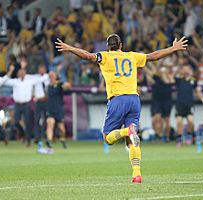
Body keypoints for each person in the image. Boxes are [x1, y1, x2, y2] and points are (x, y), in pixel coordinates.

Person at [55, 33, 188, 182]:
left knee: (107, 138)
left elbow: (87, 56)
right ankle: (136, 174)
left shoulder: (105, 56)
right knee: (131, 140)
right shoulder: (132, 56)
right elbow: (153, 56)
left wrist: (70, 48)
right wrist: (173, 48)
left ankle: (126, 131)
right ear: (121, 46)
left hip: (118, 99)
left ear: (107, 47)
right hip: (134, 99)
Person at [4, 66, 48, 146]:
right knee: (16, 121)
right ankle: (23, 133)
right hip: (17, 104)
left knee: (28, 122)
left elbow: (41, 79)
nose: (22, 73)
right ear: (18, 74)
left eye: (23, 72)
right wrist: (10, 71)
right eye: (20, 72)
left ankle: (28, 140)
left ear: (25, 73)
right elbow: (5, 81)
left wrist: (45, 74)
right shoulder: (15, 81)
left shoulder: (30, 81)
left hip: (26, 104)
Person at [175, 64, 203, 147]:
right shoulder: (179, 79)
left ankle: (189, 135)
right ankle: (179, 139)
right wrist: (179, 69)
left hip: (190, 104)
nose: (186, 71)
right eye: (184, 69)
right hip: (180, 104)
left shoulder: (193, 80)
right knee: (179, 122)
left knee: (190, 121)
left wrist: (202, 99)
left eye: (187, 69)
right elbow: (173, 75)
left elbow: (197, 91)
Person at [144, 62, 174, 142]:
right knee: (157, 118)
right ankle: (158, 135)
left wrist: (165, 74)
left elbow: (169, 81)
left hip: (167, 101)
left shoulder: (169, 78)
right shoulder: (156, 78)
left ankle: (167, 137)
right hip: (157, 101)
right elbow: (148, 71)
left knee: (167, 120)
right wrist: (143, 63)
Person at [44, 71, 71, 153]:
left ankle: (62, 139)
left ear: (56, 76)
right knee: (50, 123)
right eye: (50, 75)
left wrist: (65, 84)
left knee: (61, 129)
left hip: (58, 109)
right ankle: (49, 141)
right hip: (50, 109)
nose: (51, 77)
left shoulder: (59, 84)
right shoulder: (47, 86)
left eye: (52, 75)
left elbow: (67, 86)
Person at [32, 64, 49, 147]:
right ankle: (37, 137)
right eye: (40, 69)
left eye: (43, 69)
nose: (41, 71)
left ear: (45, 70)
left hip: (47, 101)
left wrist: (46, 96)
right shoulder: (36, 78)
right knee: (37, 119)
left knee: (47, 119)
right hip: (38, 101)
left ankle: (47, 136)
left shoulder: (48, 77)